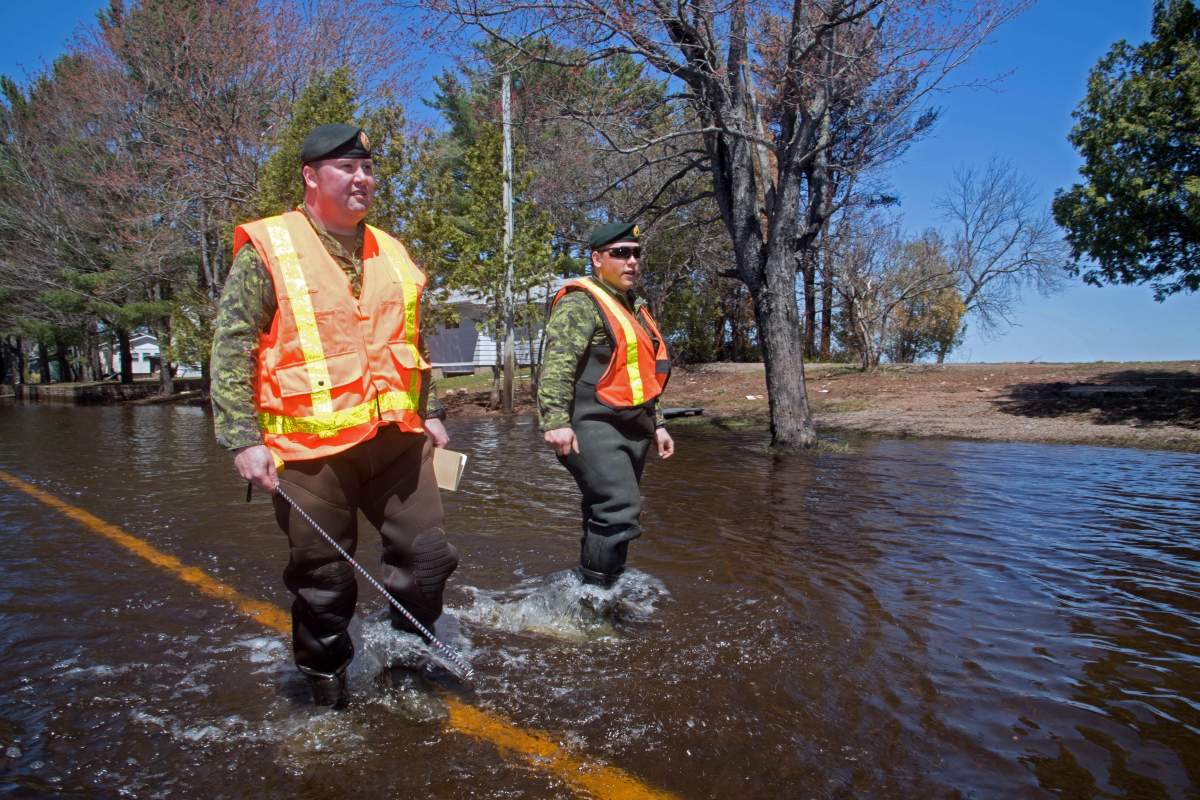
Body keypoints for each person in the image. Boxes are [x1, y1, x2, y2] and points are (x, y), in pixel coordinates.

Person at [210, 124, 458, 708]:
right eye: (347, 167)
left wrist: (433, 410)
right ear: (311, 177)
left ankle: (407, 668)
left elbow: (410, 338)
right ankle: (325, 690)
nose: (362, 179)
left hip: (397, 440)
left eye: (368, 169)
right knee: (325, 582)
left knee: (429, 561)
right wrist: (242, 439)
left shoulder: (392, 251)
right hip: (309, 453)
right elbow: (231, 342)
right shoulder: (269, 247)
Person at [538, 222, 675, 588]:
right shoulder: (580, 303)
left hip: (634, 426)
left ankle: (598, 585)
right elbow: (557, 366)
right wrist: (554, 421)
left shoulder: (634, 307)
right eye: (620, 253)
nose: (631, 261)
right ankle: (594, 602)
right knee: (619, 509)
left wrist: (658, 423)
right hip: (590, 423)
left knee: (604, 511)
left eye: (636, 253)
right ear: (597, 259)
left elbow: (643, 373)